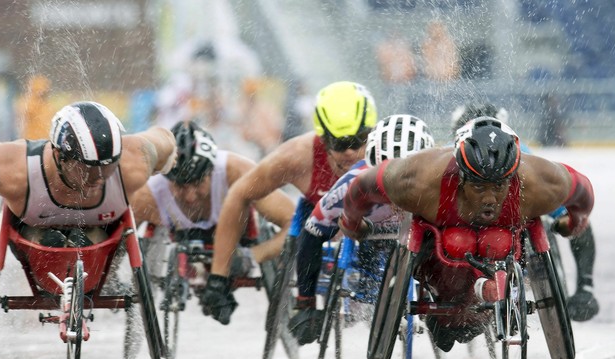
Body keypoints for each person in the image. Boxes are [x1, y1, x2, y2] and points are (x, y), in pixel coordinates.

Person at [339, 116, 594, 351]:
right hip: (442, 252)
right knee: (458, 243)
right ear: (461, 176)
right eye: (479, 186)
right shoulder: (418, 180)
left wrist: (574, 224)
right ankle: (449, 308)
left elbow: (584, 194)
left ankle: (484, 303)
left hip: (501, 243)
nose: (489, 198)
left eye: (498, 186)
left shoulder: (543, 182)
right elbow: (361, 187)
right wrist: (352, 224)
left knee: (495, 241)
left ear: (513, 178)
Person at [199, 81, 378, 325]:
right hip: (317, 219)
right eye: (339, 143)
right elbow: (240, 194)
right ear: (323, 139)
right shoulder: (296, 156)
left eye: (358, 141)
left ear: (372, 134)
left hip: (373, 222)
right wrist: (218, 277)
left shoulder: (388, 151)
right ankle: (267, 268)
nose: (349, 152)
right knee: (302, 229)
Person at [288, 114, 435, 345]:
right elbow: (312, 233)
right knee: (355, 246)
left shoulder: (438, 180)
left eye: (408, 180)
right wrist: (305, 302)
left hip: (414, 234)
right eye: (387, 181)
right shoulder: (351, 183)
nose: (397, 192)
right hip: (366, 233)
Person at [0, 100, 176, 244]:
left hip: (102, 237)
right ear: (58, 156)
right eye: (86, 169)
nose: (98, 179)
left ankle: (92, 249)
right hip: (33, 237)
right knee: (49, 244)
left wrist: (166, 166)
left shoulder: (134, 162)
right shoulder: (13, 170)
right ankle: (46, 240)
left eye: (108, 167)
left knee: (97, 238)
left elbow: (165, 139)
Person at [451, 103, 599, 322]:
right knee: (564, 219)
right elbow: (577, 221)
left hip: (465, 242)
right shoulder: (525, 156)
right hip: (498, 235)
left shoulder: (448, 153)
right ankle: (585, 286)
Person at [130, 120, 295, 283]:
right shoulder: (147, 193)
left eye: (197, 183)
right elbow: (116, 239)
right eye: (181, 186)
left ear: (212, 171)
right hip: (176, 232)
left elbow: (294, 222)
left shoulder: (238, 171)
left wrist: (253, 256)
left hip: (236, 230)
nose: (190, 196)